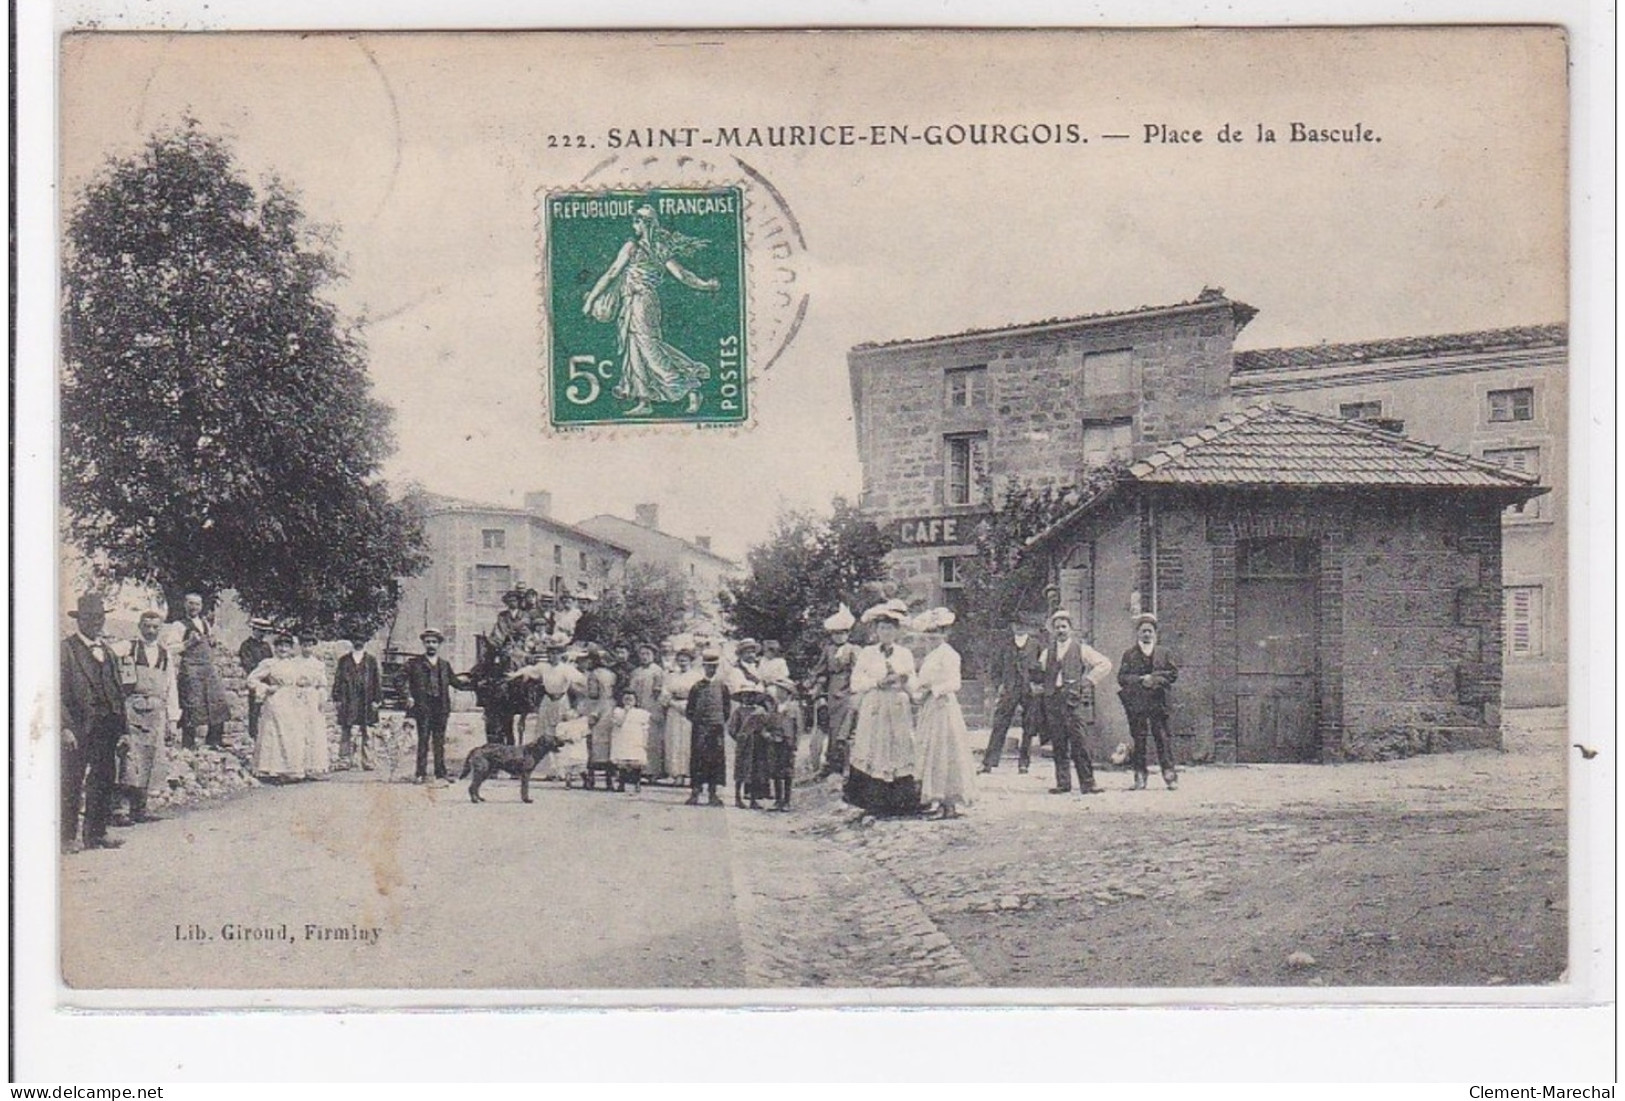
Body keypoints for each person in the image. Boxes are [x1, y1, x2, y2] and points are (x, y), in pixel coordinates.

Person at [581, 204, 722, 417]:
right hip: (643, 302)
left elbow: (611, 274)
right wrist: (705, 285)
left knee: (648, 348)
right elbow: (683, 276)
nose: (633, 225)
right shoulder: (661, 249)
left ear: (643, 223)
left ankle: (689, 387)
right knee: (637, 348)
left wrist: (590, 299)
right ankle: (644, 400)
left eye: (636, 221)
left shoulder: (632, 247)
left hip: (640, 302)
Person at [61, 593, 128, 851]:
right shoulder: (66, 650)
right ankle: (67, 837)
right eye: (90, 618)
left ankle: (97, 833)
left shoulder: (108, 652)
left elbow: (117, 692)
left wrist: (124, 730)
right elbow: (56, 693)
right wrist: (65, 727)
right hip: (78, 727)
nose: (96, 622)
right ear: (79, 620)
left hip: (107, 726)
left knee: (103, 778)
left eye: (99, 617)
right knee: (72, 780)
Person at [844, 599, 921, 816]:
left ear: (897, 632)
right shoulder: (868, 654)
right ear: (876, 630)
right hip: (875, 704)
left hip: (897, 705)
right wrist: (877, 682)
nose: (885, 632)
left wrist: (905, 680)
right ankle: (873, 801)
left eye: (890, 629)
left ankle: (901, 800)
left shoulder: (904, 654)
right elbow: (855, 683)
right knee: (874, 747)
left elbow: (913, 683)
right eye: (882, 628)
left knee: (899, 745)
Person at [1039, 609, 1114, 797]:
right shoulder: (1047, 653)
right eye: (1057, 628)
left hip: (1073, 702)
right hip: (1053, 701)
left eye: (1064, 627)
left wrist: (1088, 681)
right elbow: (1039, 673)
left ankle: (1088, 783)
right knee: (1058, 743)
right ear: (1052, 631)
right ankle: (1063, 783)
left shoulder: (1081, 649)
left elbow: (1105, 664)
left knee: (1080, 743)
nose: (1061, 631)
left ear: (1070, 629)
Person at [114, 610, 177, 826]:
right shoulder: (128, 647)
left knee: (150, 758)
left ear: (160, 629)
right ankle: (119, 810)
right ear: (140, 626)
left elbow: (171, 686)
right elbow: (108, 658)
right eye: (147, 626)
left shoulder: (164, 653)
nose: (151, 631)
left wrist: (173, 719)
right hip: (132, 707)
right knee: (128, 759)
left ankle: (139, 809)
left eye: (155, 627)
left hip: (156, 710)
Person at [912, 607, 975, 819]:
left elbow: (954, 683)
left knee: (945, 751)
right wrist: (920, 691)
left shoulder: (949, 654)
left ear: (945, 633)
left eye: (937, 632)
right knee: (933, 751)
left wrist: (934, 689)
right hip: (931, 707)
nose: (933, 637)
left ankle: (949, 803)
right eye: (929, 633)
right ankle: (939, 801)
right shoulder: (931, 656)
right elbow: (923, 682)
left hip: (944, 706)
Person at [1117, 613, 1180, 791]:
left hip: (1159, 702)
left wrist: (1154, 679)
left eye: (1149, 631)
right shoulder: (1129, 654)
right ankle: (1140, 776)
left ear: (1155, 633)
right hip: (1137, 703)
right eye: (1143, 631)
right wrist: (1139, 680)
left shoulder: (1164, 653)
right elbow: (1122, 678)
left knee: (1163, 738)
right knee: (1139, 739)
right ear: (1138, 633)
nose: (1146, 634)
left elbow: (1172, 674)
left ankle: (1169, 775)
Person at [979, 616, 1048, 775]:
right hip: (1009, 690)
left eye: (1023, 624)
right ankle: (989, 762)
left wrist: (1038, 685)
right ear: (1012, 626)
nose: (1020, 627)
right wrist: (999, 686)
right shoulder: (1004, 645)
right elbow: (995, 668)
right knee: (999, 725)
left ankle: (1024, 763)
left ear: (1028, 626)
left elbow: (1042, 667)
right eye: (1017, 624)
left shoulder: (1036, 645)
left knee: (1029, 727)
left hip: (1029, 691)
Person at [400, 629, 467, 784]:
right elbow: (399, 679)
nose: (431, 645)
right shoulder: (414, 663)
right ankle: (420, 774)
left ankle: (440, 774)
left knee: (439, 741)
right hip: (423, 707)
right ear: (423, 643)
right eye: (428, 642)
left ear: (439, 644)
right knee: (423, 740)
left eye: (434, 642)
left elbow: (456, 683)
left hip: (441, 708)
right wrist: (408, 696)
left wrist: (475, 682)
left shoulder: (444, 665)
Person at [248, 631, 310, 782]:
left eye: (286, 646)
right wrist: (267, 688)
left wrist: (302, 684)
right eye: (280, 646)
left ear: (291, 649)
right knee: (277, 732)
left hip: (293, 701)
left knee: (293, 733)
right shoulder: (269, 663)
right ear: (275, 648)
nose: (283, 649)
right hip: (277, 700)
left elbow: (302, 680)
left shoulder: (294, 664)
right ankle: (274, 770)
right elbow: (251, 679)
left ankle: (292, 769)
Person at [806, 604, 858, 780]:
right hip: (832, 690)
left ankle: (843, 764)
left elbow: (857, 672)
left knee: (843, 729)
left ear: (848, 634)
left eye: (842, 633)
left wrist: (849, 689)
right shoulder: (829, 649)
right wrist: (810, 683)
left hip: (847, 690)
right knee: (831, 728)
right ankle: (830, 764)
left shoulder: (852, 650)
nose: (839, 636)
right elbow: (820, 668)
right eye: (836, 633)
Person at [174, 592, 231, 749]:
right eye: (191, 603)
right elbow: (170, 649)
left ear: (201, 606)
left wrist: (212, 641)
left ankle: (214, 740)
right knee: (191, 703)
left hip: (207, 667)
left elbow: (210, 642)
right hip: (191, 668)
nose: (194, 607)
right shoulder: (178, 625)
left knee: (217, 700)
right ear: (184, 605)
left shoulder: (205, 623)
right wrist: (188, 643)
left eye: (197, 604)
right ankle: (188, 743)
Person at [683, 648, 731, 807]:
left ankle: (713, 794)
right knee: (698, 759)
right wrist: (699, 722)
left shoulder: (722, 686)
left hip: (716, 728)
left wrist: (717, 721)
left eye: (714, 667)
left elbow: (726, 709)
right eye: (708, 666)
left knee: (715, 760)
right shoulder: (697, 687)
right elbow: (689, 709)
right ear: (704, 667)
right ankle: (695, 793)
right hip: (700, 729)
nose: (711, 669)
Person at [332, 635, 383, 771]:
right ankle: (344, 760)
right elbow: (338, 679)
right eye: (356, 640)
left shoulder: (371, 660)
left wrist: (377, 699)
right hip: (349, 698)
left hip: (366, 699)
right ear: (352, 641)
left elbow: (376, 681)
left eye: (361, 640)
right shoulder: (344, 660)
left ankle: (368, 760)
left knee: (367, 730)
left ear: (365, 642)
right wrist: (337, 697)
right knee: (346, 729)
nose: (358, 642)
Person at [728, 688, 775, 810]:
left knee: (755, 772)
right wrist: (740, 737)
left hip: (758, 745)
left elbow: (766, 724)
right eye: (745, 696)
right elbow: (732, 729)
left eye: (751, 696)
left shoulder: (759, 711)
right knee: (741, 771)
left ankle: (753, 799)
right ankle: (737, 798)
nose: (748, 699)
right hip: (744, 745)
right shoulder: (738, 712)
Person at [293, 633, 332, 778]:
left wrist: (322, 699)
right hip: (298, 697)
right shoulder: (294, 662)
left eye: (310, 645)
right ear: (300, 646)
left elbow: (322, 684)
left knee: (314, 731)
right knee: (298, 731)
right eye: (304, 645)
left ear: (313, 647)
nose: (307, 648)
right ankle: (298, 766)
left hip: (312, 699)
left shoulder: (318, 664)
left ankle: (314, 767)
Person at [660, 645, 700, 785]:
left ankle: (688, 774)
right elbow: (664, 694)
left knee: (688, 741)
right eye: (680, 660)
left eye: (685, 660)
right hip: (674, 710)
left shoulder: (697, 676)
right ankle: (676, 774)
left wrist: (689, 705)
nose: (682, 663)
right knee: (674, 741)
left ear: (691, 661)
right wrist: (673, 703)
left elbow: (699, 694)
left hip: (690, 710)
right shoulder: (671, 676)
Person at [628, 643, 666, 779]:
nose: (644, 657)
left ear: (653, 655)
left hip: (652, 707)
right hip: (638, 707)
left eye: (647, 654)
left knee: (652, 739)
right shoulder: (635, 672)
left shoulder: (658, 671)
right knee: (638, 739)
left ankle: (653, 771)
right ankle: (638, 769)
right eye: (642, 654)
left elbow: (659, 691)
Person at [582, 646, 618, 791]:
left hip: (597, 706)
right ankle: (609, 780)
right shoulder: (612, 674)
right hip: (611, 705)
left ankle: (591, 778)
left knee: (592, 742)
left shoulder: (593, 675)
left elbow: (593, 693)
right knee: (609, 743)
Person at [237, 618, 275, 743]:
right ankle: (253, 734)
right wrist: (258, 674)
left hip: (268, 681)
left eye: (264, 631)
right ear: (254, 630)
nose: (261, 633)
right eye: (259, 630)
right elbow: (247, 663)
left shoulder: (266, 646)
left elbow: (272, 662)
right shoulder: (246, 645)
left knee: (268, 708)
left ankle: (267, 734)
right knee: (254, 708)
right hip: (255, 680)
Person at [609, 689, 651, 793]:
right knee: (622, 763)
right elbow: (618, 723)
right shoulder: (618, 711)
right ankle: (621, 784)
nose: (628, 701)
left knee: (635, 763)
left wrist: (644, 741)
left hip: (635, 739)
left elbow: (645, 728)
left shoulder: (641, 713)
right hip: (622, 739)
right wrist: (626, 712)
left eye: (631, 699)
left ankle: (637, 783)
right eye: (626, 699)